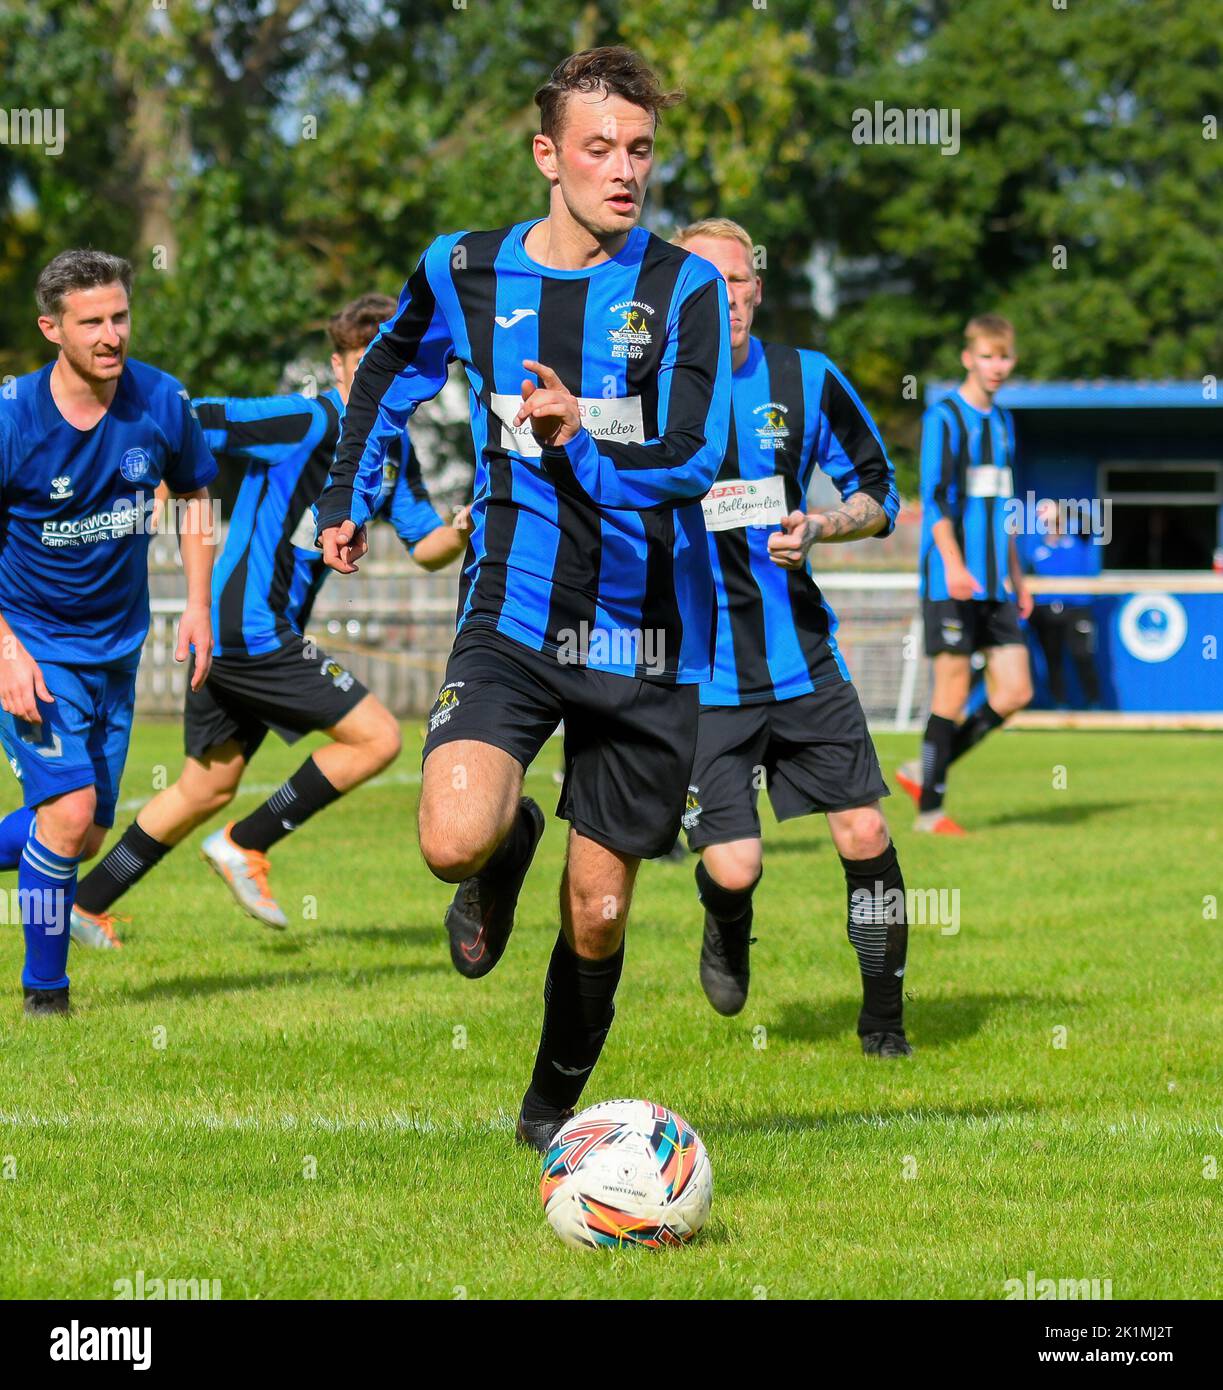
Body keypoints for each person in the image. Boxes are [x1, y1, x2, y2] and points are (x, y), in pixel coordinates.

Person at [315, 46, 731, 1150]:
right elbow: (384, 376)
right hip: (513, 602)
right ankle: (504, 848)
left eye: (639, 149)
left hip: (647, 629)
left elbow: (691, 456)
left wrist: (575, 431)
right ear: (546, 155)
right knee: (451, 837)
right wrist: (351, 496)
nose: (623, 170)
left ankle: (549, 1111)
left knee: (596, 911)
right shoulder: (463, 267)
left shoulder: (683, 286)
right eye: (598, 148)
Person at [69, 295, 469, 945]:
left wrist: (463, 527)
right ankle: (245, 844)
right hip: (245, 627)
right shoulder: (305, 421)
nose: (380, 378)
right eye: (365, 364)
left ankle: (85, 904)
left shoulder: (392, 451)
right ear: (339, 367)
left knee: (205, 786)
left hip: (247, 634)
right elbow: (192, 418)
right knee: (378, 738)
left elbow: (425, 547)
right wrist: (145, 486)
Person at [672, 219, 912, 1058]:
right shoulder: (642, 387)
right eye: (705, 285)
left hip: (800, 656)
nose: (726, 299)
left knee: (866, 834)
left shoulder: (803, 377)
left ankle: (883, 1021)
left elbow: (877, 490)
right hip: (697, 673)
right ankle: (726, 924)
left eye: (738, 282)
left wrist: (822, 526)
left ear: (757, 288)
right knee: (736, 865)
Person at [0, 248, 216, 1014]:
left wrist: (197, 604)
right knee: (64, 814)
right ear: (50, 327)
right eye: (91, 321)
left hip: (116, 648)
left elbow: (194, 494)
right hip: (31, 643)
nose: (111, 334)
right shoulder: (13, 417)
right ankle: (44, 997)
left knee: (85, 833)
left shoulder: (161, 400)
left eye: (119, 316)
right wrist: (5, 650)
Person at [896, 314, 1033, 833]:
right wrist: (953, 564)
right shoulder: (944, 417)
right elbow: (933, 499)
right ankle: (931, 814)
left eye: (1004, 357)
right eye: (987, 356)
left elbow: (1006, 507)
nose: (996, 366)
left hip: (997, 583)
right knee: (950, 693)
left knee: (1016, 690)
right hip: (950, 580)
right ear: (968, 357)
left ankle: (924, 770)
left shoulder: (1002, 421)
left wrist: (1019, 579)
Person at [1024, 500, 1102, 708]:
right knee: (1052, 659)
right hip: (1046, 611)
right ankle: (1059, 704)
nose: (1054, 525)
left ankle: (1094, 704)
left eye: (1057, 520)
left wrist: (1064, 509)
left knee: (1082, 656)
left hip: (1077, 608)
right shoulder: (1037, 548)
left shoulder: (1077, 539)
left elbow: (1092, 523)